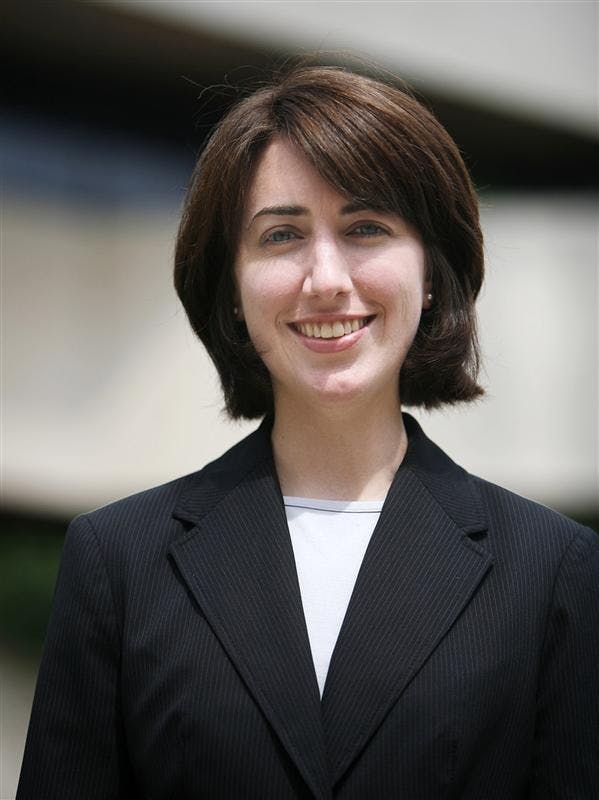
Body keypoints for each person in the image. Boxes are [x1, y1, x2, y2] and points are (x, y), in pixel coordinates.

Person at [18, 65, 598, 799]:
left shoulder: (551, 571)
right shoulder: (119, 562)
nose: (325, 277)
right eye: (282, 234)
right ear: (232, 286)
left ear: (429, 272)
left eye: (365, 228)